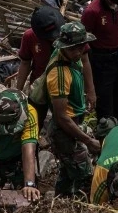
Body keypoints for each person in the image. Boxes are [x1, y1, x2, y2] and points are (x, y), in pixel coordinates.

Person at [29, 23, 100, 196]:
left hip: (73, 121)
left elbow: (85, 59)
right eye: (73, 49)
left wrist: (91, 91)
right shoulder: (59, 75)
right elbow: (62, 117)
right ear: (64, 48)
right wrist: (88, 141)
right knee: (84, 174)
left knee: (68, 171)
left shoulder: (72, 56)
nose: (78, 52)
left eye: (80, 47)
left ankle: (61, 198)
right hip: (64, 130)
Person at [0, 90, 41, 201]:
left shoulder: (30, 114)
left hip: (20, 157)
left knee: (27, 195)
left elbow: (28, 149)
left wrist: (29, 184)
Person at [15, 6, 62, 99]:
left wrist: (89, 89)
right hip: (39, 85)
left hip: (64, 84)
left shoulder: (69, 32)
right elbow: (25, 63)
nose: (52, 37)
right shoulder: (29, 36)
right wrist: (18, 92)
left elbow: (84, 59)